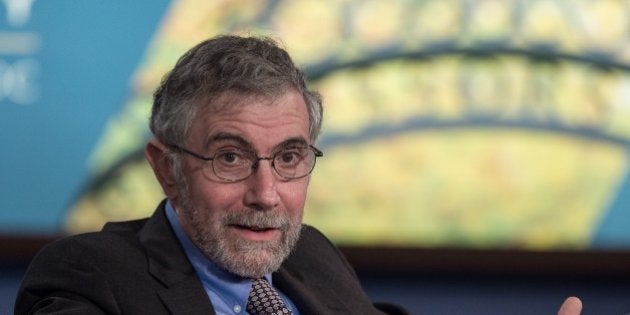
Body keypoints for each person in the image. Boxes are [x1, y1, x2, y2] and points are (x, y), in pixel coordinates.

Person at [14, 35, 581, 315]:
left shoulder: (308, 256)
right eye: (230, 158)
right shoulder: (90, 276)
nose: (266, 196)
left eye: (288, 158)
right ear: (168, 169)